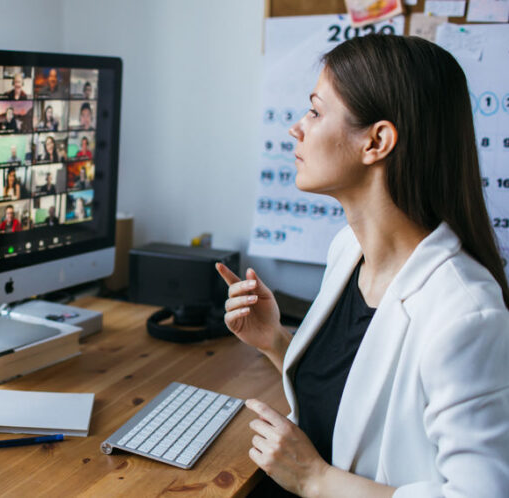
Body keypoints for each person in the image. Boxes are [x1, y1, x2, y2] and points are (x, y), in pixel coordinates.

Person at [216, 35, 509, 497]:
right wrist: (275, 341)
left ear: (376, 141)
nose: (297, 128)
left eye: (315, 111)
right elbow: (349, 401)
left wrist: (316, 480)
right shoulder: (347, 249)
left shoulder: (467, 314)